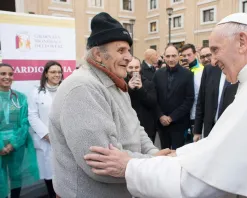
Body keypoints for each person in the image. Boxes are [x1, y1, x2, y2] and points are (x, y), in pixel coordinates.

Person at [84, 13, 247, 198]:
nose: (212, 60)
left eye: (215, 50)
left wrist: (130, 167)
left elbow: (205, 180)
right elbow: (219, 147)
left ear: (242, 42)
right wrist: (177, 155)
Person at [48, 12, 170, 198]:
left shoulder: (115, 82)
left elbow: (136, 129)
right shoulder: (82, 88)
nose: (129, 57)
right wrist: (153, 162)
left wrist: (154, 153)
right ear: (98, 54)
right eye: (121, 51)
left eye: (129, 50)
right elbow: (100, 165)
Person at [0, 63, 39, 198]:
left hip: (16, 145)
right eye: (3, 74)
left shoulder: (20, 97)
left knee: (16, 176)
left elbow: (24, 122)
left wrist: (13, 144)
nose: (7, 77)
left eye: (10, 74)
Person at [28, 61, 63, 198]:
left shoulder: (66, 89)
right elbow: (32, 115)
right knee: (49, 172)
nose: (57, 75)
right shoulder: (36, 92)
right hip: (46, 140)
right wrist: (46, 134)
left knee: (65, 173)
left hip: (65, 138)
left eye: (59, 72)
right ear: (46, 74)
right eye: (53, 72)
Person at [152, 44, 194, 149]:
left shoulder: (187, 74)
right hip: (161, 124)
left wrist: (171, 117)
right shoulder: (158, 74)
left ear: (178, 56)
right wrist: (160, 115)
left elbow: (189, 100)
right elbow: (153, 97)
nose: (171, 59)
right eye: (168, 56)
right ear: (164, 57)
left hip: (179, 123)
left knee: (177, 155)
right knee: (164, 154)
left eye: (174, 56)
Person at [193, 62, 238, 141]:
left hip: (230, 130)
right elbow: (201, 100)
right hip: (210, 129)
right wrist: (197, 131)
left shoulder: (240, 68)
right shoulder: (210, 69)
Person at [125, 57, 157, 142]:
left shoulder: (149, 83)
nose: (134, 70)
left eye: (136, 67)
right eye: (131, 67)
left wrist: (141, 89)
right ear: (126, 68)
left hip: (146, 127)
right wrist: (129, 89)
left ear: (140, 68)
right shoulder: (121, 83)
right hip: (128, 127)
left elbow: (152, 103)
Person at [179, 43, 204, 143]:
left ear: (195, 54)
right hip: (183, 115)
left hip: (196, 114)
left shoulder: (202, 70)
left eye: (189, 55)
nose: (186, 58)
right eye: (184, 56)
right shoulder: (180, 71)